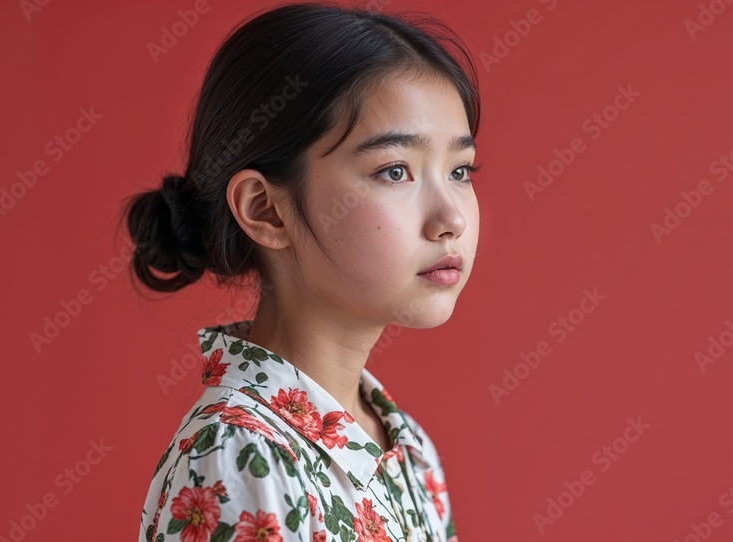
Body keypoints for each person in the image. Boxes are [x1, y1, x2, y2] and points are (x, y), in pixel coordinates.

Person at [122, 3, 482, 541]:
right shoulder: (239, 457)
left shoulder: (408, 448)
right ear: (265, 210)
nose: (452, 219)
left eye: (459, 170)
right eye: (394, 171)